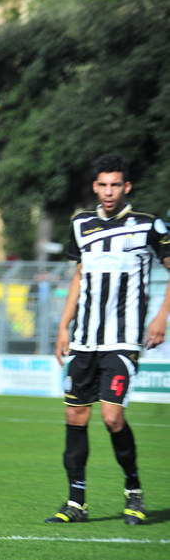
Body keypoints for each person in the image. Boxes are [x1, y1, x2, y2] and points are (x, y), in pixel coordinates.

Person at [47, 153, 170, 525]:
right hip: (84, 340)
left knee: (113, 417)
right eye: (102, 184)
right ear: (95, 186)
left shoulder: (150, 225)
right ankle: (76, 503)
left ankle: (134, 491)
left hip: (123, 339)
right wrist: (63, 325)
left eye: (115, 184)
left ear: (126, 187)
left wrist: (161, 318)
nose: (108, 191)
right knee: (75, 415)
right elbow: (79, 277)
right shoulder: (81, 224)